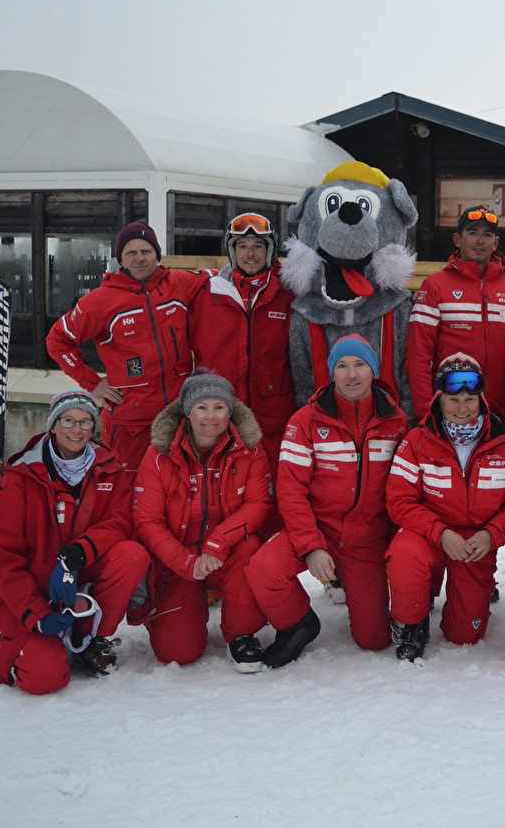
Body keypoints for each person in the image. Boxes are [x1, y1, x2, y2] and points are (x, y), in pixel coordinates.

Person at [246, 333, 409, 667]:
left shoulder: (396, 421)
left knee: (374, 640)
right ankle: (299, 621)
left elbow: (402, 489)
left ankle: (352, 585)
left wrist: (394, 549)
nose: (352, 374)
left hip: (366, 538)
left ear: (373, 370)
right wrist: (311, 545)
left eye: (360, 365)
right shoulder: (305, 421)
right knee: (263, 568)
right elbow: (291, 491)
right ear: (331, 373)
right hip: (316, 529)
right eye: (343, 366)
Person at [0, 390, 150, 693]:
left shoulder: (110, 467)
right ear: (53, 426)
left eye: (85, 422)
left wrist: (79, 552)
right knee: (44, 678)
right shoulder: (20, 477)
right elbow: (2, 557)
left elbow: (121, 520)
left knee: (131, 554)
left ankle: (90, 637)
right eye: (68, 420)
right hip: (33, 592)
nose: (77, 429)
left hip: (81, 574)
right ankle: (32, 644)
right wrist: (35, 613)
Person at [385, 355, 505, 661]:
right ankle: (412, 622)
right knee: (405, 552)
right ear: (439, 398)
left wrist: (492, 534)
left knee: (465, 635)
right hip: (430, 533)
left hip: (475, 542)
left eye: (470, 399)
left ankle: (476, 594)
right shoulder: (416, 441)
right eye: (453, 399)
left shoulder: (503, 442)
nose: (462, 408)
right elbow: (399, 500)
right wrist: (440, 532)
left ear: (481, 400)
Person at [132, 370, 273, 672]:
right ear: (187, 411)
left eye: (219, 407)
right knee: (177, 652)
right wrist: (186, 561)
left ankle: (241, 634)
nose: (211, 417)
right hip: (179, 558)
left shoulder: (250, 448)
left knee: (251, 550)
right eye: (202, 407)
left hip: (228, 551)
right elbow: (147, 520)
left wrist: (218, 542)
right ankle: (183, 609)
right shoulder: (158, 454)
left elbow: (259, 503)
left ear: (230, 410)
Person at [46, 220, 207, 472]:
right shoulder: (100, 300)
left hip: (180, 418)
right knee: (125, 496)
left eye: (146, 251)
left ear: (157, 255)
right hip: (129, 425)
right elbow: (57, 340)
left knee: (180, 492)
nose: (139, 258)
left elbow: (223, 278)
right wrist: (93, 383)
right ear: (120, 259)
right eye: (131, 252)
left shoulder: (180, 283)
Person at [190, 213, 297, 469]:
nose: (250, 254)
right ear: (232, 251)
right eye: (242, 246)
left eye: (258, 246)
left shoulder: (289, 295)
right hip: (220, 417)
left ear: (269, 251)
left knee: (272, 493)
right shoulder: (206, 293)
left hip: (273, 420)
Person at [407, 206, 505, 424]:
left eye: (487, 234)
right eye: (472, 233)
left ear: (495, 242)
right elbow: (417, 357)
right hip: (451, 409)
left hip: (501, 414)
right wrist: (426, 413)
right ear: (457, 239)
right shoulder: (434, 286)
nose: (480, 240)